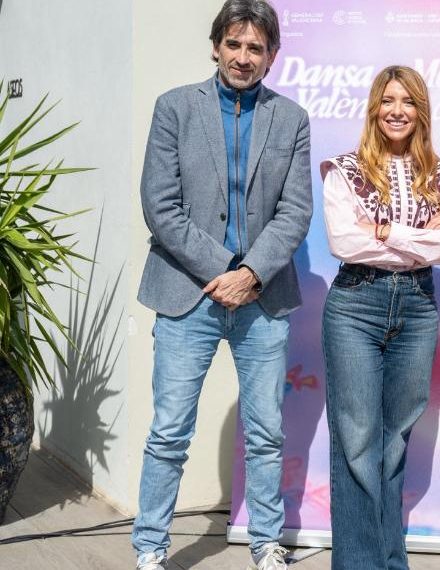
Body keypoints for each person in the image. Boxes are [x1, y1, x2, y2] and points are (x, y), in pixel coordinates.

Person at [131, 1, 312, 569]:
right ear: (215, 46)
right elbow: (161, 207)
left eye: (255, 48)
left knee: (265, 435)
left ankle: (266, 545)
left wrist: (252, 273)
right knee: (169, 432)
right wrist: (225, 271)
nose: (243, 56)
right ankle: (151, 549)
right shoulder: (174, 109)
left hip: (262, 296)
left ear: (272, 57)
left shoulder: (293, 119)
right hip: (189, 293)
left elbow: (296, 211)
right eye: (233, 44)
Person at [319, 65, 440, 570]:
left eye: (407, 101)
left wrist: (387, 233)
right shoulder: (345, 169)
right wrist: (414, 238)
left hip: (419, 307)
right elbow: (344, 241)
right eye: (388, 100)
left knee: (395, 439)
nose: (397, 110)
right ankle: (360, 564)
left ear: (421, 112)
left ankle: (389, 560)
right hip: (356, 304)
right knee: (357, 439)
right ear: (374, 108)